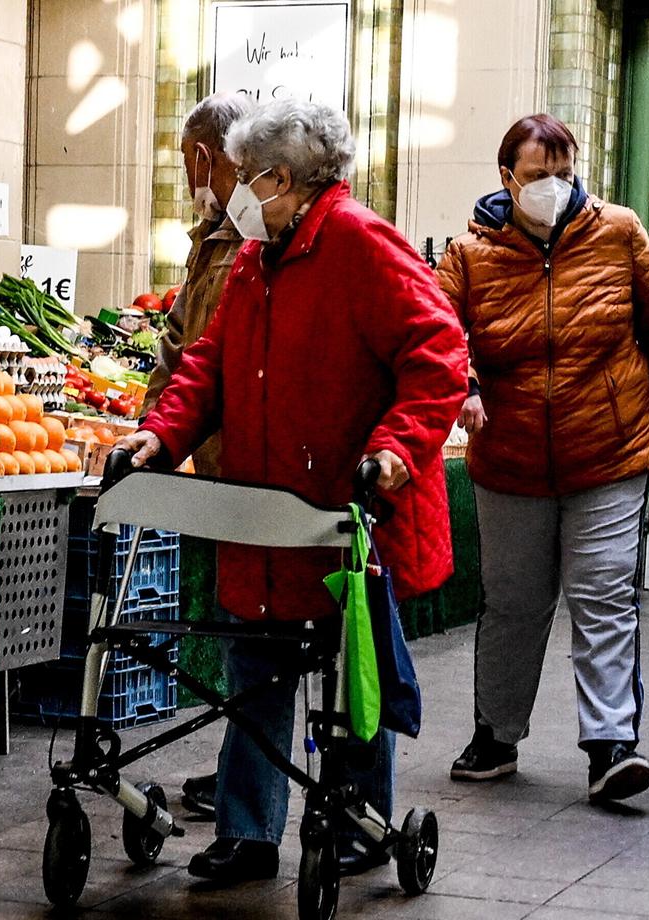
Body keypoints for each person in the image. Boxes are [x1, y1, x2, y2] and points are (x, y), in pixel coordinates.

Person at [118, 99, 467, 883]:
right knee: (255, 673)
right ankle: (248, 832)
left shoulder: (360, 243)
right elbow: (210, 360)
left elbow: (440, 354)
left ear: (283, 179)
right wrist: (161, 432)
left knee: (351, 679)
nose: (235, 191)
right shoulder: (256, 255)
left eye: (246, 178)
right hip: (262, 511)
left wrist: (395, 453)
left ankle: (358, 822)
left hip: (343, 510)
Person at [436, 114, 649, 802]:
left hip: (609, 451)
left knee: (604, 597)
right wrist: (462, 385)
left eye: (564, 173)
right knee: (514, 603)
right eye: (537, 176)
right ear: (506, 179)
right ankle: (495, 736)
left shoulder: (618, 231)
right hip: (511, 458)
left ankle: (611, 746)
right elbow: (438, 331)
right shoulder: (470, 254)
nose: (553, 187)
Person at [142, 91, 254, 820]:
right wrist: (154, 430)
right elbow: (185, 346)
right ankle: (243, 773)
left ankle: (251, 780)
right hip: (216, 460)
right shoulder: (212, 240)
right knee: (239, 628)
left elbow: (200, 357)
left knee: (256, 635)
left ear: (206, 157)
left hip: (260, 468)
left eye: (191, 163)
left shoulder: (263, 237)